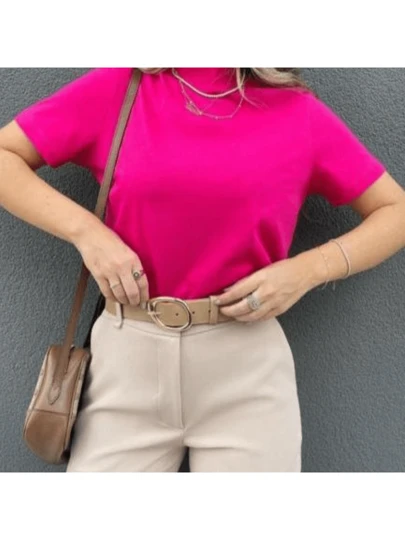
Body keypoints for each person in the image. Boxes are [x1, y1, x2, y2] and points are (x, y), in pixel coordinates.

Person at [0, 67, 404, 473]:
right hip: (127, 358)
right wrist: (88, 233)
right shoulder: (120, 88)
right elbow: (6, 156)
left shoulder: (298, 112)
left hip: (246, 369)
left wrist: (307, 270)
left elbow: (395, 210)